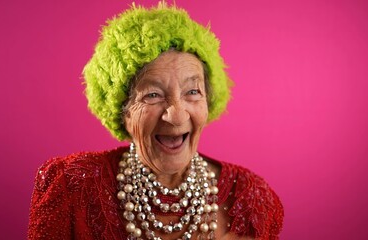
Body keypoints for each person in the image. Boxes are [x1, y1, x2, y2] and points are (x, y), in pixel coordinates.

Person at [28, 2, 283, 240]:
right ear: (122, 110)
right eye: (152, 95)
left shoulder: (250, 198)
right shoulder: (70, 186)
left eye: (192, 92)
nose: (177, 115)